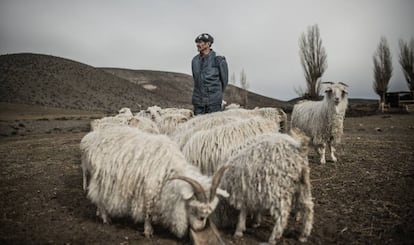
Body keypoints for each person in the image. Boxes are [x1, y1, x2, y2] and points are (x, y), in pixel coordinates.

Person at [191, 33, 228, 115]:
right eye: (197, 42)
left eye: (200, 42)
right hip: (198, 103)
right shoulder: (194, 60)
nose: (197, 45)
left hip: (213, 103)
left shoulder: (219, 59)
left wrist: (215, 95)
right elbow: (196, 79)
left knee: (214, 127)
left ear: (208, 44)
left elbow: (224, 81)